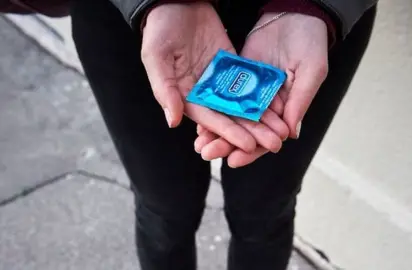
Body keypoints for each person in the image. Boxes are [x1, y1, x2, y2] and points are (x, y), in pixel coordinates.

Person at [68, 0, 377, 269]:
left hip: (311, 22)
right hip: (130, 16)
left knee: (264, 211)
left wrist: (312, 4)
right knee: (163, 209)